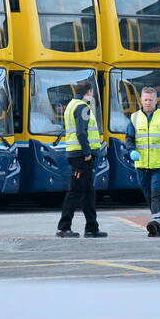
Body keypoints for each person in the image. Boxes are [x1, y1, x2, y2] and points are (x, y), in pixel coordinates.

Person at [126, 86, 160, 237]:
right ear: (141, 100)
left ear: (156, 100)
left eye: (151, 100)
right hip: (141, 165)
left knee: (156, 194)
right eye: (145, 99)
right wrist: (131, 151)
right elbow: (129, 138)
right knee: (148, 195)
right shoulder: (134, 117)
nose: (148, 102)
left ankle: (154, 222)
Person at [57, 80, 106, 238]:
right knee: (76, 192)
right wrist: (87, 152)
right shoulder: (83, 107)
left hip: (77, 154)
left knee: (88, 192)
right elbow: (81, 132)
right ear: (88, 92)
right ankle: (64, 227)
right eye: (91, 93)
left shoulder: (72, 104)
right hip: (81, 155)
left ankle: (92, 227)